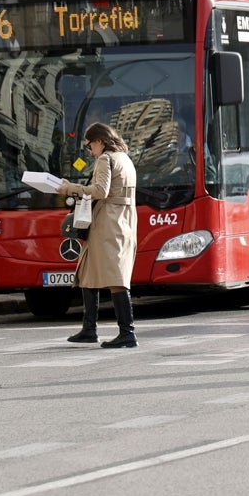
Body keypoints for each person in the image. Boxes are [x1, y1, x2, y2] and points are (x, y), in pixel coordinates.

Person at [57, 122, 140, 348]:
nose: (89, 149)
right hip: (123, 220)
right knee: (88, 272)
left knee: (116, 278)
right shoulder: (125, 158)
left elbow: (100, 191)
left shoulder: (106, 159)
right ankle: (89, 328)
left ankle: (127, 332)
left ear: (100, 141)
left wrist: (70, 188)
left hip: (108, 222)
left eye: (90, 144)